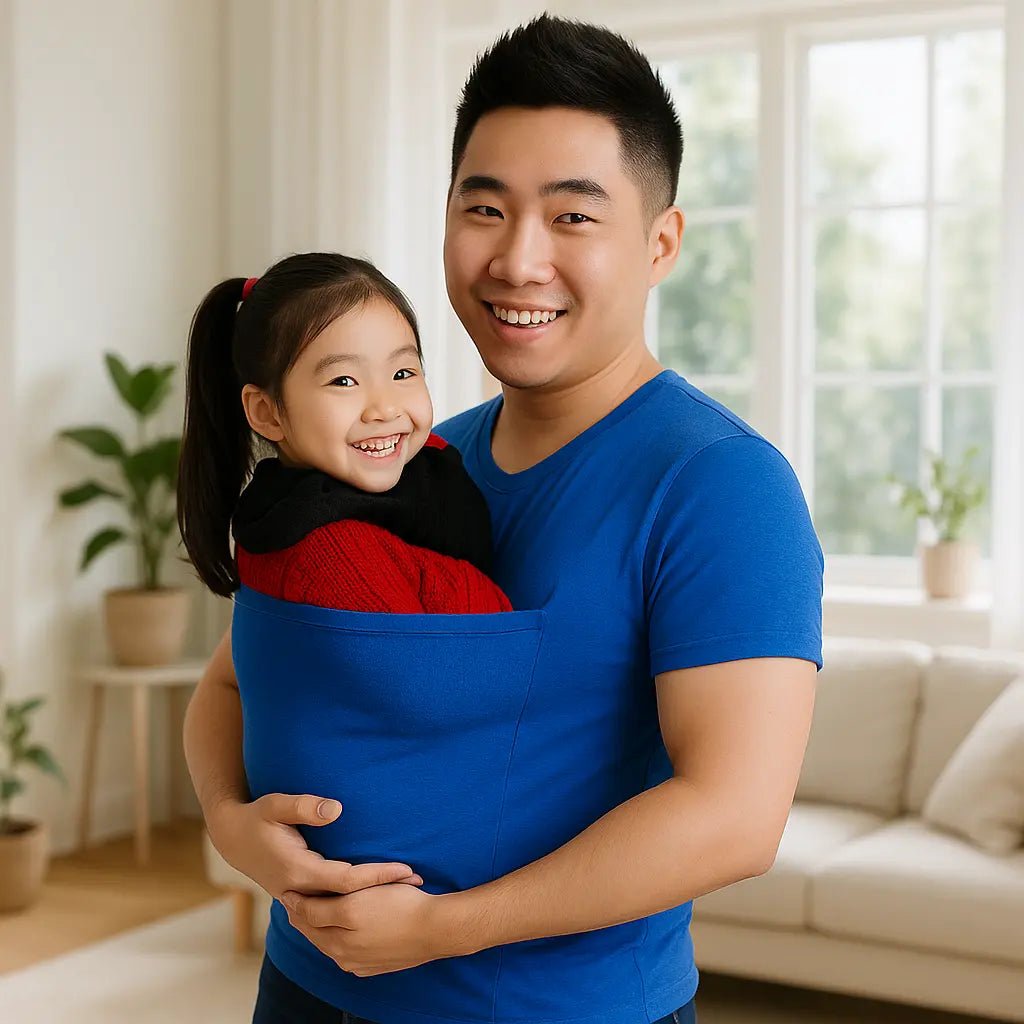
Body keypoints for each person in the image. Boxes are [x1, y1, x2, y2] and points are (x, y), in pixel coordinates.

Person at [183, 14, 824, 1024]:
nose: (517, 260)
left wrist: (441, 927)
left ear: (660, 242)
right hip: (307, 987)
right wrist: (231, 822)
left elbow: (734, 818)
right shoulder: (405, 459)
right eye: (484, 208)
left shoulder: (719, 485)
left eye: (572, 217)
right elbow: (231, 675)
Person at [177, 251, 512, 615]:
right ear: (266, 412)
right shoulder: (330, 551)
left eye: (403, 373)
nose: (385, 409)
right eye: (344, 380)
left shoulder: (431, 460)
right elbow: (433, 665)